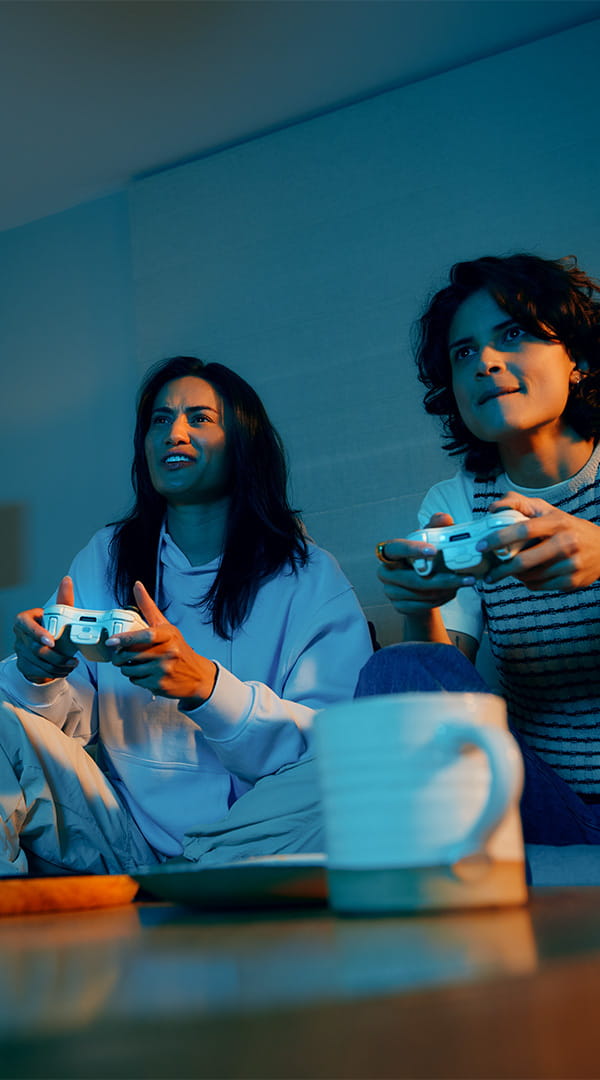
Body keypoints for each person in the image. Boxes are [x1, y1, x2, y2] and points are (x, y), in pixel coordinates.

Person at [0, 356, 372, 875]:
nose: (173, 432)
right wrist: (37, 672)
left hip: (252, 840)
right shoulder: (107, 555)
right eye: (159, 419)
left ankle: (197, 875)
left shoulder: (308, 577)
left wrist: (207, 688)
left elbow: (331, 747)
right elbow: (64, 730)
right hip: (121, 839)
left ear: (241, 443)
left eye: (200, 418)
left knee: (360, 768)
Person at [359, 253, 600, 844]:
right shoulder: (457, 498)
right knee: (397, 667)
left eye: (513, 334)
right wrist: (422, 605)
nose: (486, 362)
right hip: (545, 800)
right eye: (463, 352)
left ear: (577, 358)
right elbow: (439, 685)